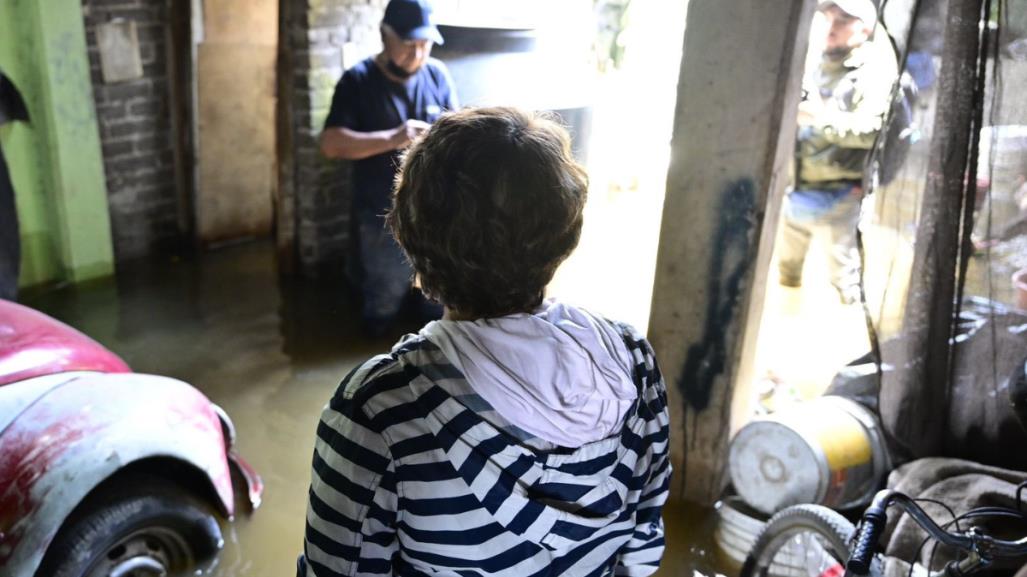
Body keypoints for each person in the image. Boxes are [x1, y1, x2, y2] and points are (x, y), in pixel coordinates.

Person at [298, 108, 672, 577]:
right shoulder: (632, 358)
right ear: (564, 231)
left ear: (410, 234)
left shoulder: (379, 411)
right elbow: (642, 548)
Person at [320, 0, 458, 335]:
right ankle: (373, 350)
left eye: (425, 44)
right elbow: (331, 144)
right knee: (382, 298)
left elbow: (457, 130)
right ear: (385, 36)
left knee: (434, 298)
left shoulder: (437, 74)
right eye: (409, 44)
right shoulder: (358, 81)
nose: (418, 53)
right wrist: (394, 137)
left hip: (431, 213)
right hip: (380, 215)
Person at [778, 0, 897, 304]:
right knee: (786, 275)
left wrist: (820, 118)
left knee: (845, 285)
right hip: (797, 187)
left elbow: (874, 132)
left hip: (841, 197)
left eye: (844, 19)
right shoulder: (817, 62)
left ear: (865, 28)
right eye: (829, 17)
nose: (832, 27)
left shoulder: (875, 72)